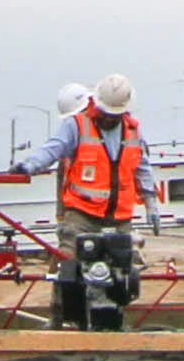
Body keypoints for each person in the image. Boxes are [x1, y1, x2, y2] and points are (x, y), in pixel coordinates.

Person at [52, 73, 151, 329]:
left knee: (121, 271)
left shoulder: (132, 131)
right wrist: (27, 166)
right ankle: (62, 320)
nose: (109, 119)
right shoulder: (77, 126)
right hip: (82, 213)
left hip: (118, 216)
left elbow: (142, 166)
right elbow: (53, 149)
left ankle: (113, 319)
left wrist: (151, 202)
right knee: (68, 266)